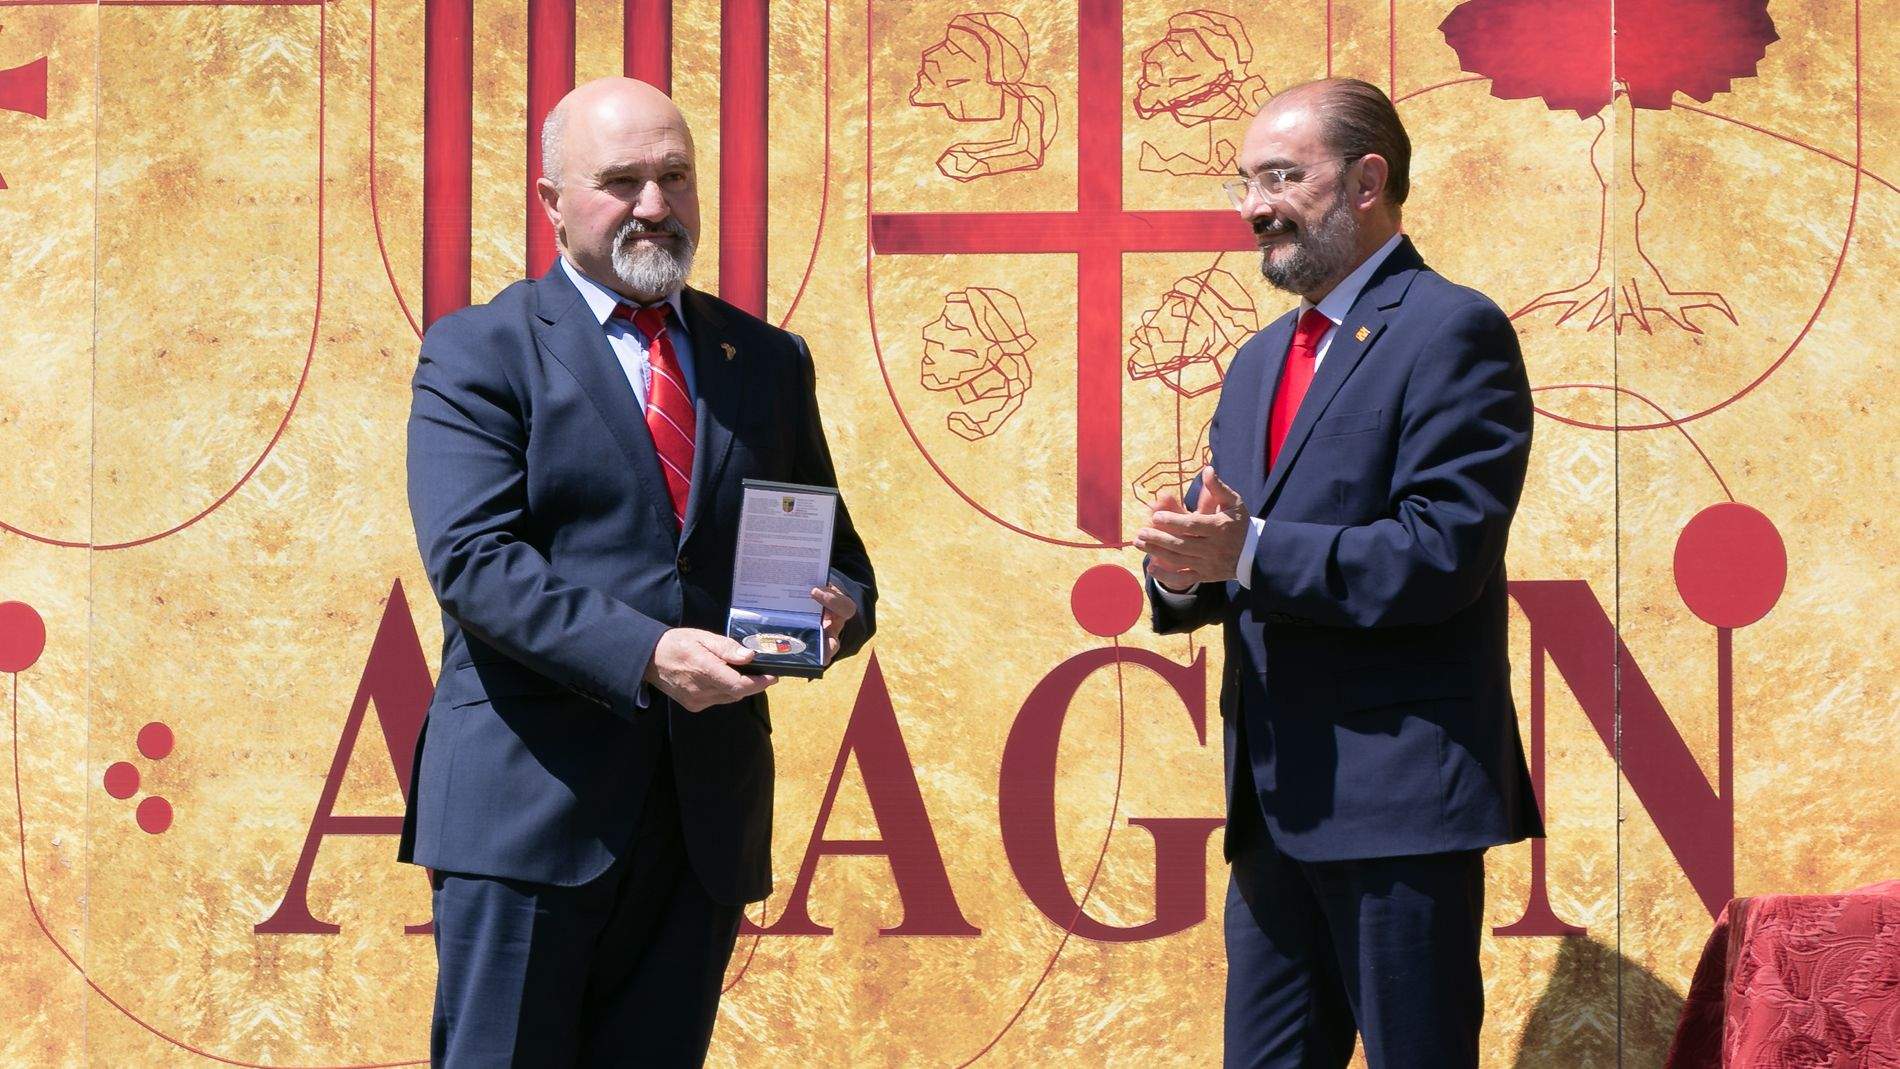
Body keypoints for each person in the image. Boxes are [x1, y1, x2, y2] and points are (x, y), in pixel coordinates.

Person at [401, 77, 876, 1067]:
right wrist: (651, 652)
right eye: (621, 181)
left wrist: (835, 611)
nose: (654, 205)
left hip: (701, 820)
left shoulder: (765, 359)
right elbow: (475, 563)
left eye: (675, 176)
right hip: (529, 817)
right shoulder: (479, 350)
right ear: (552, 201)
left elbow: (832, 554)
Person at [1134, 78, 1541, 1068]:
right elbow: (1230, 552)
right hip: (1276, 807)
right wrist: (1185, 573)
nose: (1253, 207)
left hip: (1399, 804)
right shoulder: (1258, 361)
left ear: (1368, 181)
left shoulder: (1453, 330)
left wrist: (1252, 550)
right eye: (1244, 182)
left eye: (1281, 176)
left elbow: (1440, 552)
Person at [908, 12, 1058, 181]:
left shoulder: (1030, 103)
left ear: (993, 75)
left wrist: (981, 163)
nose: (930, 56)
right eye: (948, 44)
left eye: (955, 49)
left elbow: (1027, 151)